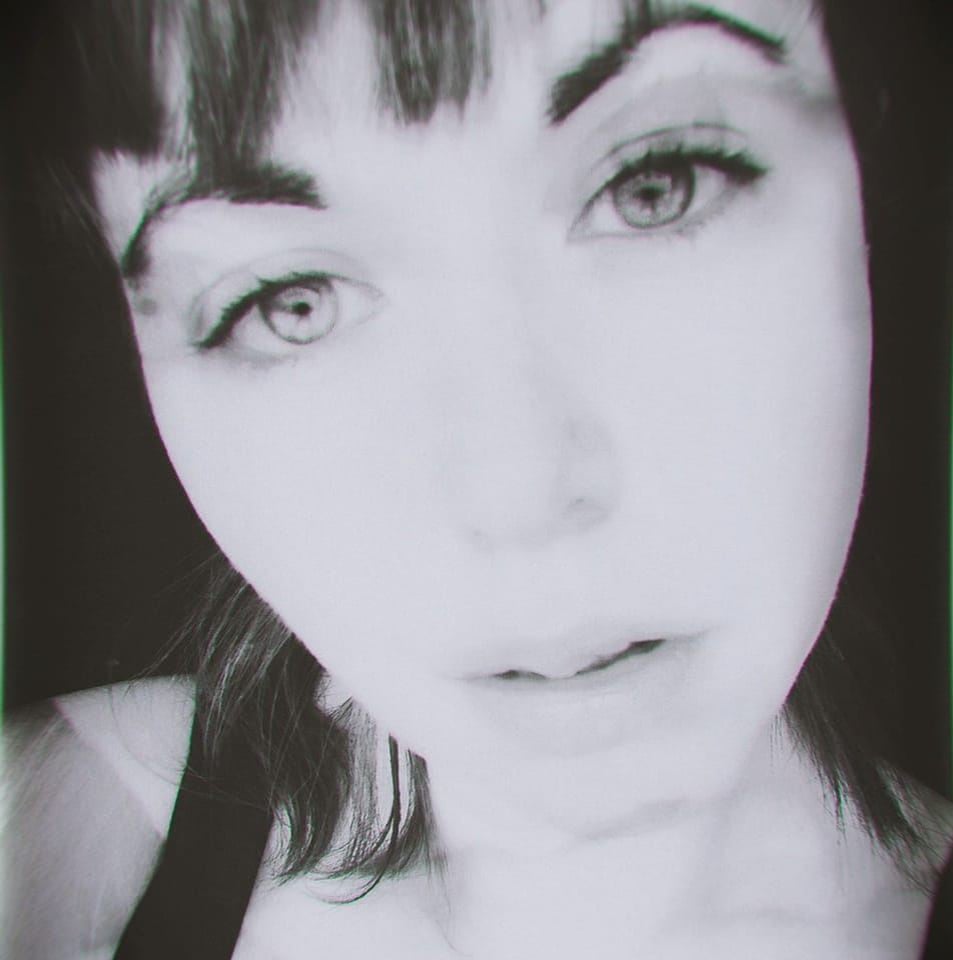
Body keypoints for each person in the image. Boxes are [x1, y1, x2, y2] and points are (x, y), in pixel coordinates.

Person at [2, 0, 952, 957]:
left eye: (655, 187)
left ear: (868, 193)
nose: (519, 494)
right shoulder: (50, 835)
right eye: (291, 302)